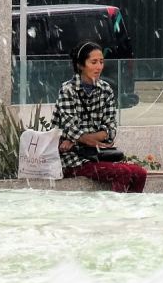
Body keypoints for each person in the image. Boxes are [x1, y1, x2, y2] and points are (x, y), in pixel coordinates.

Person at [54, 42, 147, 192]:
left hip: (98, 156)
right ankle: (113, 211)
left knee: (140, 173)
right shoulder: (68, 90)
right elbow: (71, 129)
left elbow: (110, 130)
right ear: (80, 65)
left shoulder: (106, 89)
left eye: (101, 62)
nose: (99, 67)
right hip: (74, 160)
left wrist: (80, 138)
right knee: (122, 173)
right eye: (93, 62)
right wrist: (93, 139)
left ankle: (130, 210)